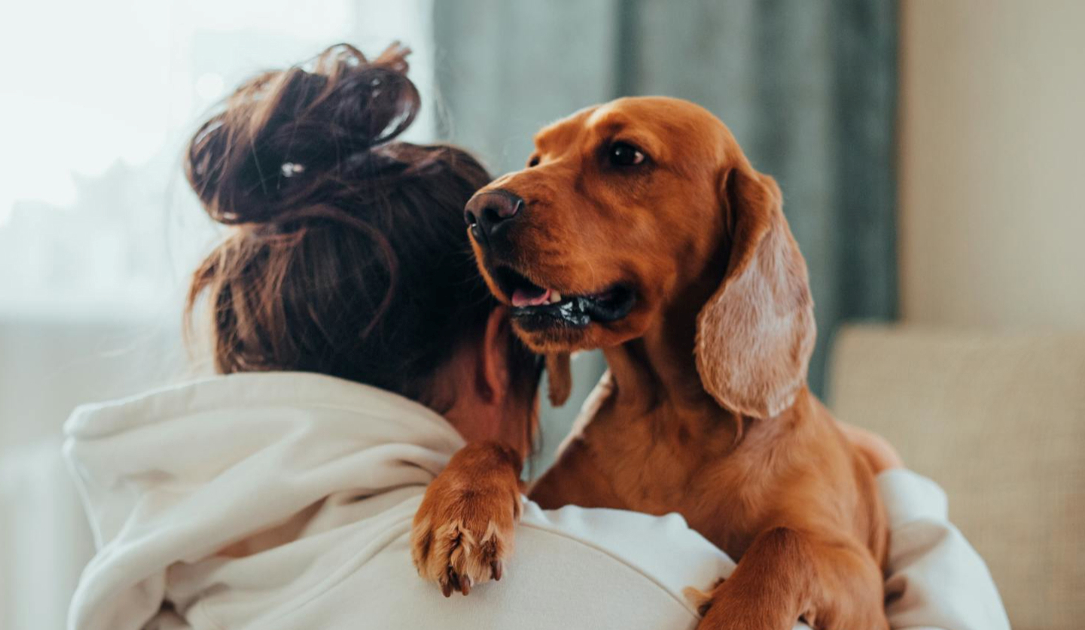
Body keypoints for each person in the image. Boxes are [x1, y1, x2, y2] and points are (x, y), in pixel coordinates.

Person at [63, 44, 1010, 630]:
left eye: (623, 161)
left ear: (736, 233)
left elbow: (841, 571)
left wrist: (796, 562)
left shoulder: (191, 557)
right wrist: (483, 468)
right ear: (497, 348)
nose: (516, 197)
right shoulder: (589, 571)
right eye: (537, 163)